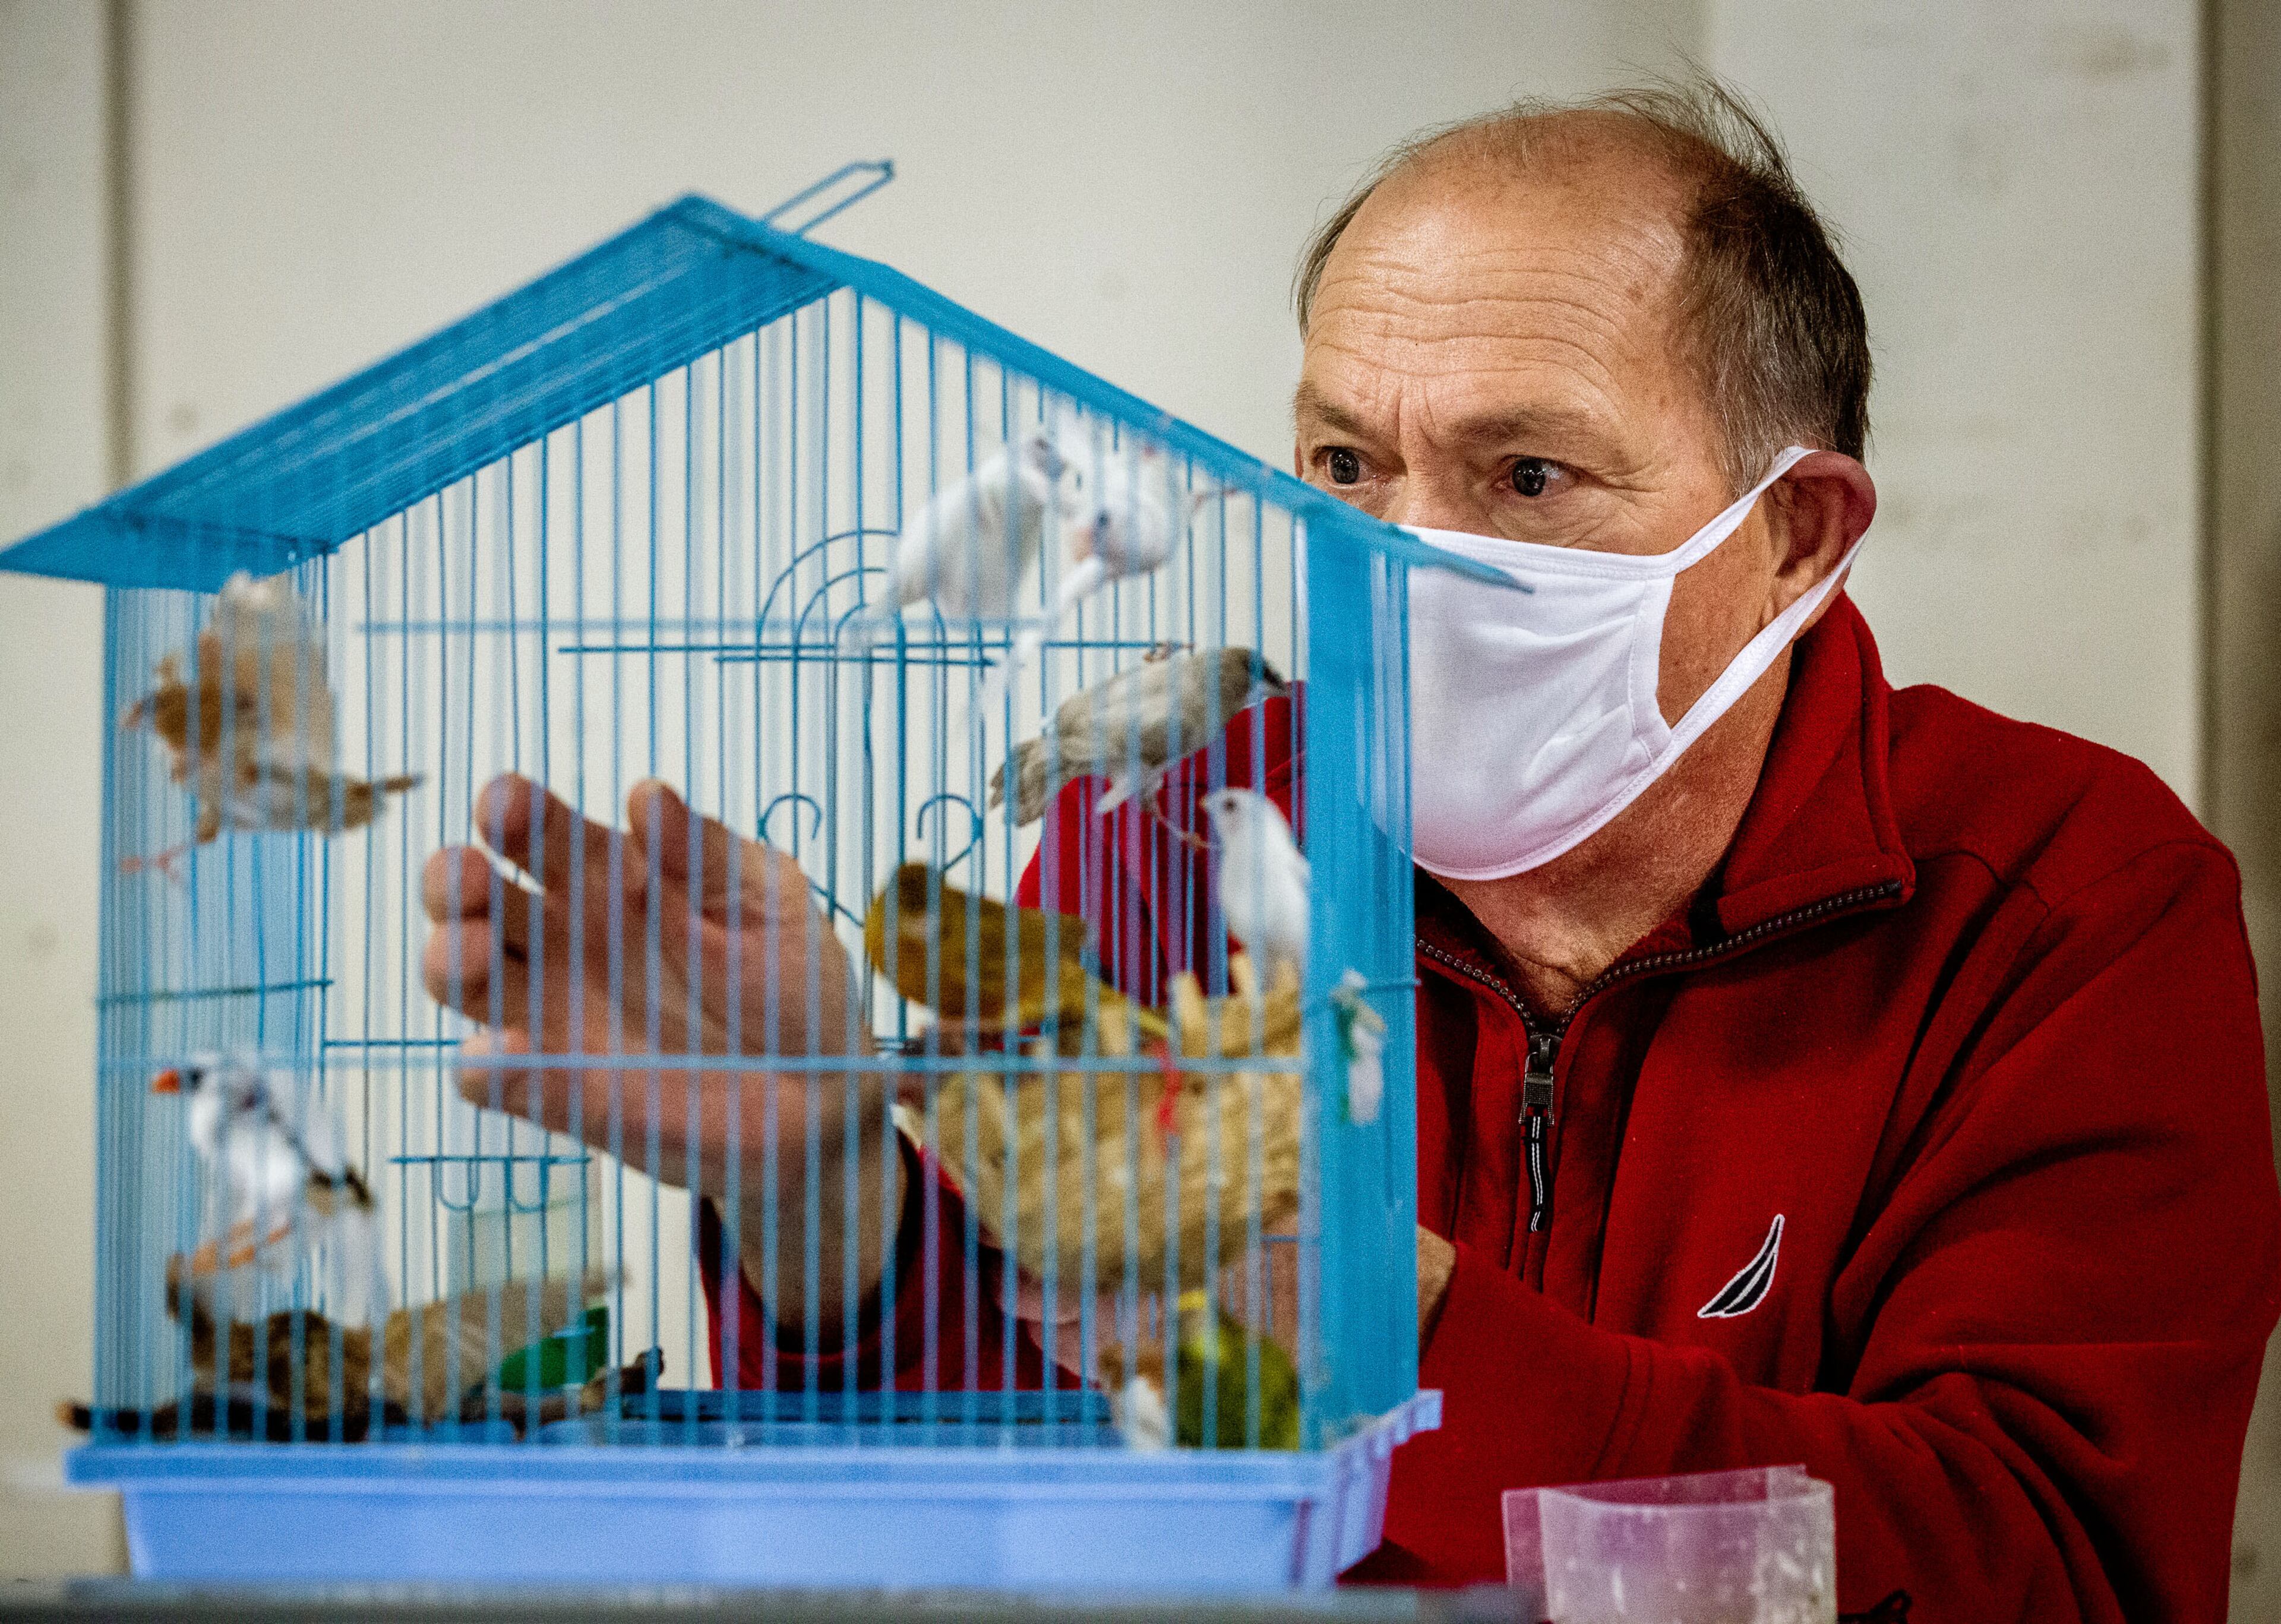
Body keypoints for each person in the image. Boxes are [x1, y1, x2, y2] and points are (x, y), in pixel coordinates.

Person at [421, 81, 2281, 1616]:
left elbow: (2054, 1564)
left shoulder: (2074, 907)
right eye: (1343, 466)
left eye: (1525, 474)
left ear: (1795, 534)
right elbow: (1016, 1496)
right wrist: (826, 1188)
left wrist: (1400, 1329)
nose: (1395, 555)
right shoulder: (1167, 840)